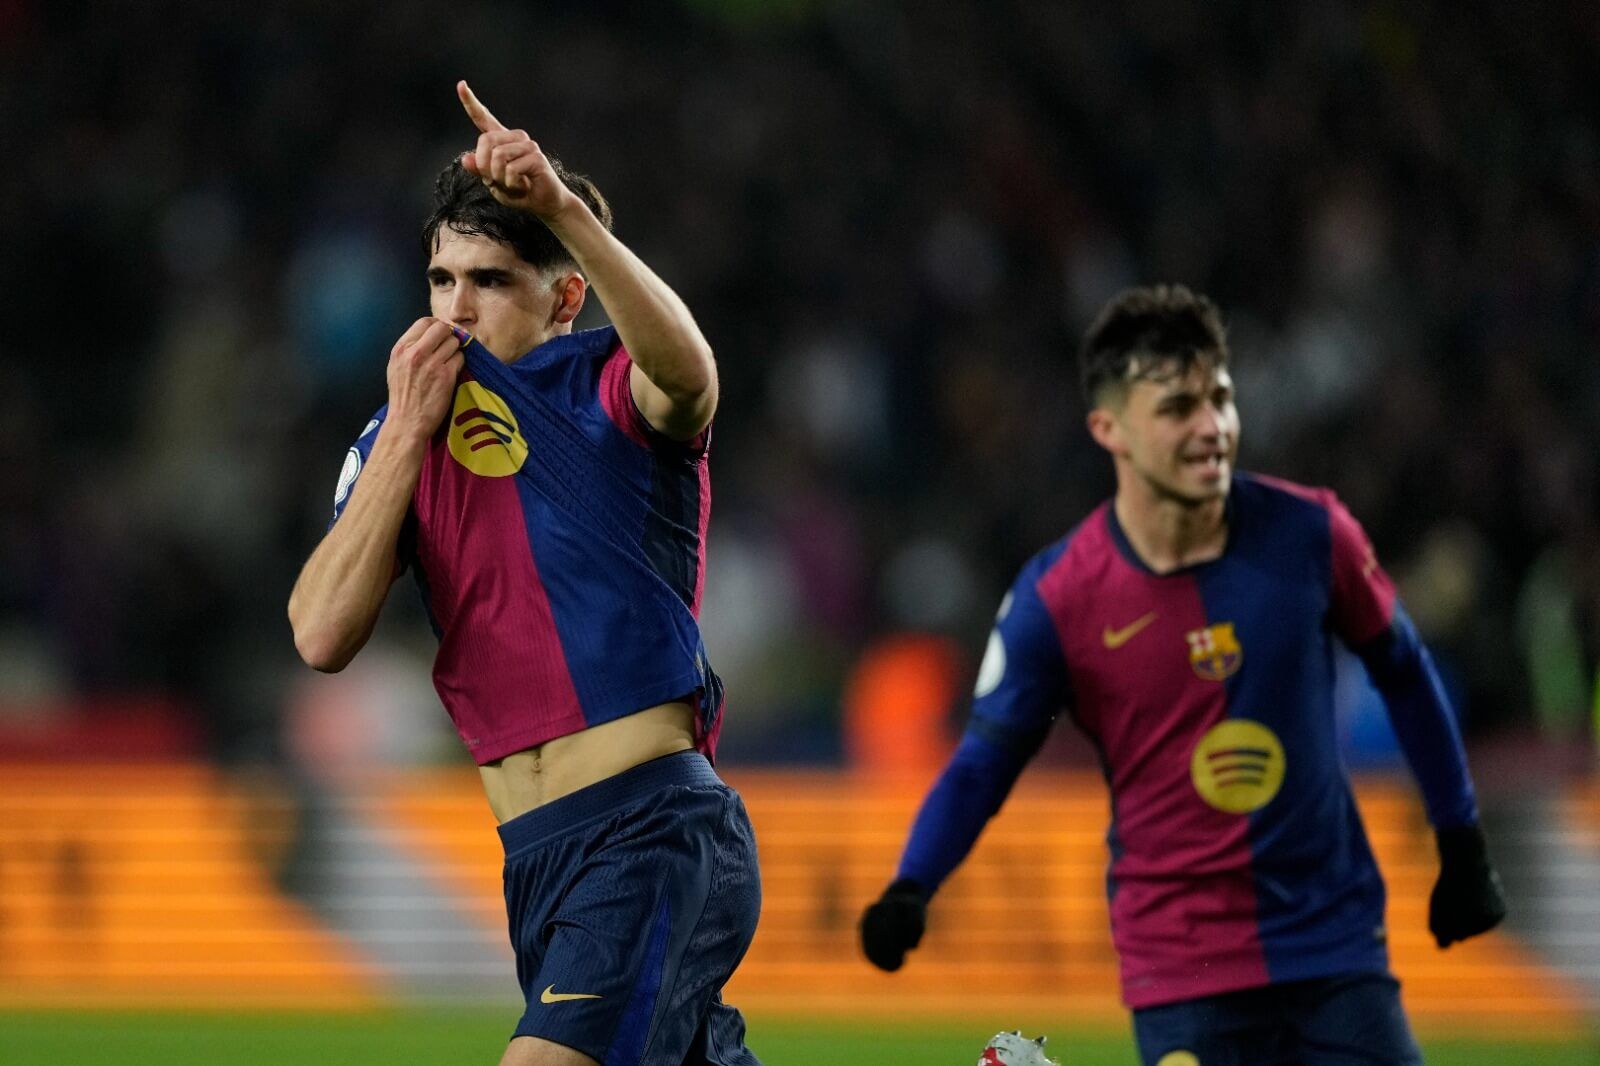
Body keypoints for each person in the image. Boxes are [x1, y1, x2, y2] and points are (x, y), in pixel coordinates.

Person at [860, 285, 1506, 1065]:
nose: (1212, 428)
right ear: (1110, 430)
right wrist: (911, 886)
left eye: (1221, 398)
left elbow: (1405, 673)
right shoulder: (1058, 596)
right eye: (1177, 408)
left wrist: (1461, 844)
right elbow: (984, 764)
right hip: (1183, 965)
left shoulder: (1312, 534)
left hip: (1334, 945)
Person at [288, 82, 761, 1066]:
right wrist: (406, 439)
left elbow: (689, 375)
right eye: (439, 279)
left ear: (563, 295)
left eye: (490, 281)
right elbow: (321, 633)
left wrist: (561, 210)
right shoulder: (394, 440)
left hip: (650, 830)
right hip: (537, 860)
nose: (455, 308)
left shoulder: (602, 390)